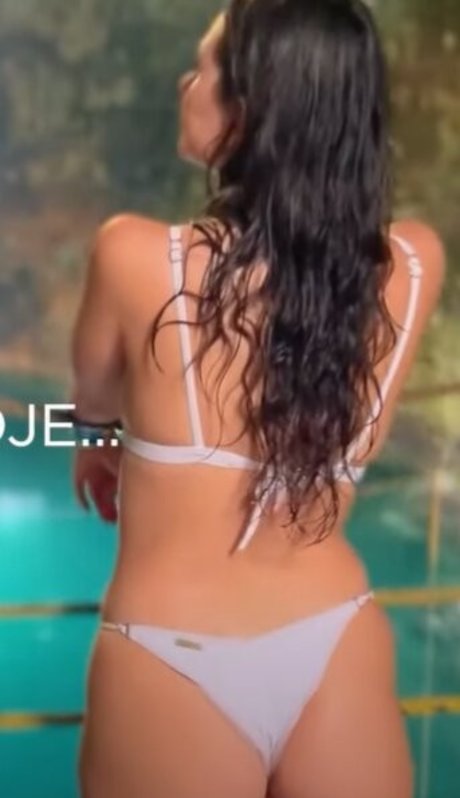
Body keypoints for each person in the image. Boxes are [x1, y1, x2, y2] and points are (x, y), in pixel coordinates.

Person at [71, 1, 445, 796]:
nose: (186, 82)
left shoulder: (134, 259)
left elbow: (93, 398)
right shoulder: (413, 266)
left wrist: (96, 441)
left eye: (204, 67)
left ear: (254, 109)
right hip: (336, 636)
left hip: (173, 654)